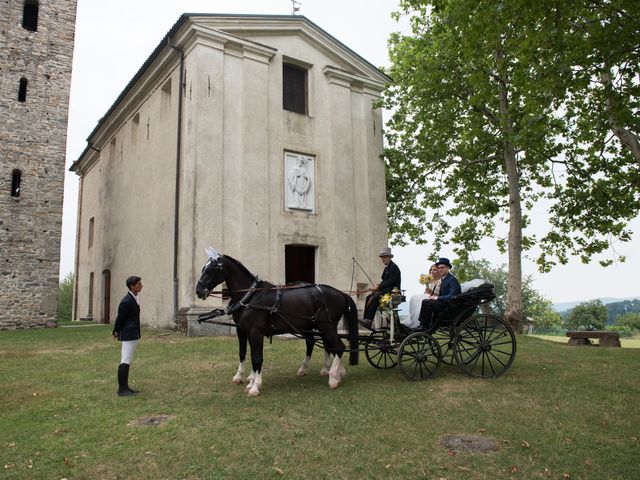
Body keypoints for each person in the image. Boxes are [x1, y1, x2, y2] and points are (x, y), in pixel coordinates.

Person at [112, 275, 143, 397]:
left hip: (133, 333)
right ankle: (122, 389)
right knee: (125, 360)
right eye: (139, 284)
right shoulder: (126, 301)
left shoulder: (134, 298)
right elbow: (120, 318)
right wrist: (116, 331)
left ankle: (126, 387)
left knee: (128, 360)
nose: (141, 286)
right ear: (132, 286)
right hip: (128, 333)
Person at [413, 257, 461, 332]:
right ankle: (423, 325)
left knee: (427, 302)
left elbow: (452, 296)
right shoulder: (444, 279)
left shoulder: (452, 280)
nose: (440, 269)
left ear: (448, 268)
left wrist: (436, 298)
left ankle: (424, 326)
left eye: (442, 267)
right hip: (444, 303)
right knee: (426, 301)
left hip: (450, 305)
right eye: (439, 268)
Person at [360, 247, 401, 328]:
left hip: (393, 291)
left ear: (389, 257)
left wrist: (378, 286)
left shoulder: (394, 267)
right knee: (369, 297)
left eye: (385, 257)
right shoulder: (387, 268)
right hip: (385, 290)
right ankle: (367, 319)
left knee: (375, 297)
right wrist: (377, 286)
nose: (383, 259)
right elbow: (384, 281)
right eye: (382, 257)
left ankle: (369, 320)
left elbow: (391, 282)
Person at [405, 264, 442, 329]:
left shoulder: (441, 282)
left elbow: (441, 295)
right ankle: (412, 319)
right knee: (414, 297)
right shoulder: (430, 281)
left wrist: (430, 293)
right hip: (428, 296)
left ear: (439, 271)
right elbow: (426, 292)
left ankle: (420, 322)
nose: (432, 271)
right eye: (431, 270)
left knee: (422, 300)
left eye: (434, 270)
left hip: (435, 299)